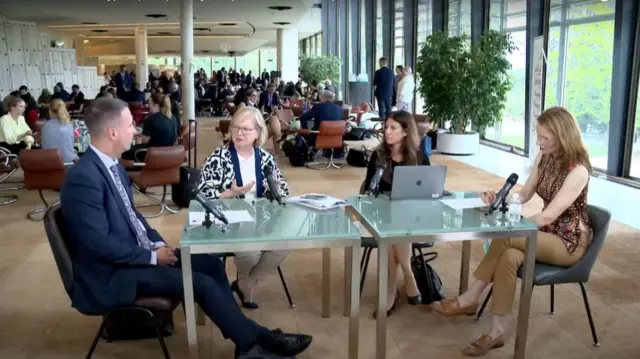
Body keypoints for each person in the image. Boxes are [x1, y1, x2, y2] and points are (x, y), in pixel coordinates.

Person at [60, 98, 312, 359]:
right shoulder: (84, 179)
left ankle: (251, 336)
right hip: (112, 274)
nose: (136, 130)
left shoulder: (112, 167)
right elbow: (98, 244)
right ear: (112, 132)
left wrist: (157, 244)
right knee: (200, 283)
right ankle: (252, 345)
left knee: (211, 265)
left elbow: (133, 219)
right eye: (130, 125)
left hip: (132, 257)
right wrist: (151, 257)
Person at [432, 107, 593, 357]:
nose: (539, 142)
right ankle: (496, 333)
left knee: (506, 235)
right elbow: (525, 194)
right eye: (538, 136)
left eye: (545, 138)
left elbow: (549, 215)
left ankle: (471, 297)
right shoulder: (545, 157)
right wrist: (500, 196)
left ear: (563, 135)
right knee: (508, 257)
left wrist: (515, 226)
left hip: (568, 242)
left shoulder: (578, 170)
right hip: (545, 233)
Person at [199, 106, 290, 309]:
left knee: (285, 242)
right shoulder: (218, 158)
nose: (239, 133)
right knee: (250, 251)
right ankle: (246, 284)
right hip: (228, 220)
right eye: (236, 128)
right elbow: (201, 193)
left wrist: (272, 188)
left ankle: (246, 282)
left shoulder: (266, 159)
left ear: (257, 133)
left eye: (246, 129)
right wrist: (227, 194)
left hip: (262, 219)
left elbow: (283, 191)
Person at [361, 111, 431, 317]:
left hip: (414, 218)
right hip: (382, 217)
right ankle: (408, 276)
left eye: (393, 128)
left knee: (394, 233)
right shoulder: (379, 155)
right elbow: (367, 190)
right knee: (392, 231)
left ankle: (390, 293)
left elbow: (428, 188)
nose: (387, 132)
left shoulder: (419, 157)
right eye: (386, 127)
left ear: (405, 132)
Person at [121, 93, 178, 162]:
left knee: (124, 152)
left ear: (156, 105)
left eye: (150, 104)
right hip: (169, 154)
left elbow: (145, 140)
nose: (148, 106)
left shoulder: (151, 120)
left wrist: (137, 137)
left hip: (151, 154)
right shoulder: (172, 118)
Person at [40, 98, 78, 163]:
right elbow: (72, 144)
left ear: (50, 110)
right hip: (68, 162)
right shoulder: (69, 125)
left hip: (48, 163)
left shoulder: (45, 126)